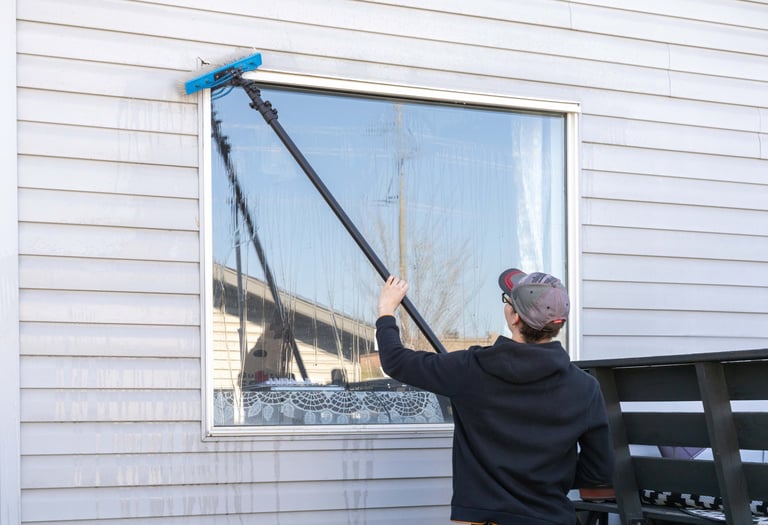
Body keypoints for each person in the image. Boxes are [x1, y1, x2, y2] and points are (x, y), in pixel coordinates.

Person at [375, 268, 614, 525]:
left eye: (507, 301)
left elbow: (395, 361)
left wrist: (386, 311)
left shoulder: (471, 369)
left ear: (514, 318)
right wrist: (549, 473)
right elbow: (597, 474)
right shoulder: (585, 388)